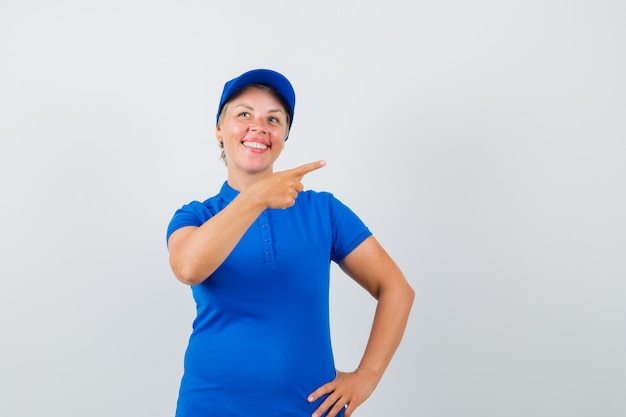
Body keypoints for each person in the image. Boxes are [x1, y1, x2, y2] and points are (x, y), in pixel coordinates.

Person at [166, 68, 414, 417]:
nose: (259, 126)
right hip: (210, 406)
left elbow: (397, 289)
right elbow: (188, 267)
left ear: (283, 135)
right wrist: (256, 198)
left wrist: (367, 377)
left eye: (274, 119)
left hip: (309, 409)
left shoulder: (322, 210)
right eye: (243, 114)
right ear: (219, 131)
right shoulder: (196, 216)